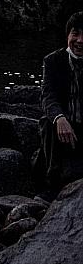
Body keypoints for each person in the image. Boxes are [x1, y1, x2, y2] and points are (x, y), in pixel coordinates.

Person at [38, 11, 83, 195]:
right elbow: (48, 95)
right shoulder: (52, 61)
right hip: (62, 129)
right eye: (75, 33)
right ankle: (51, 182)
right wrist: (59, 118)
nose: (80, 40)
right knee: (49, 122)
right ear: (67, 35)